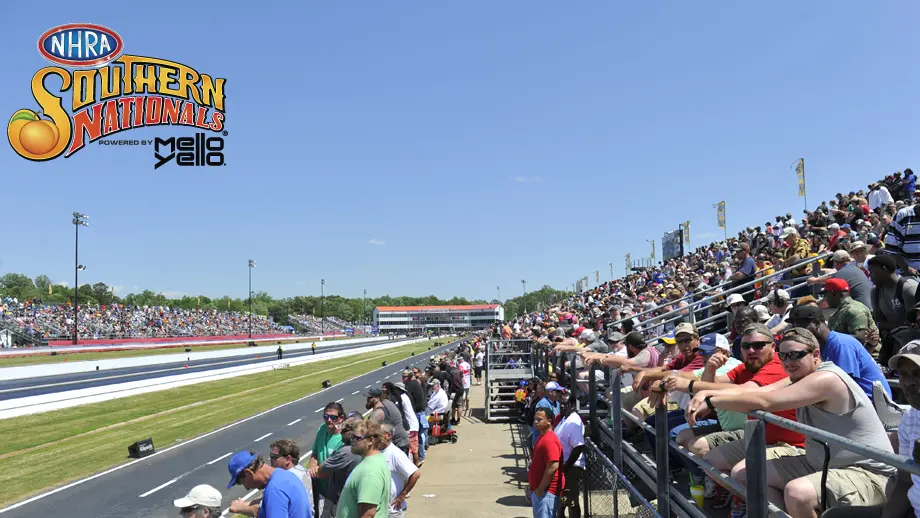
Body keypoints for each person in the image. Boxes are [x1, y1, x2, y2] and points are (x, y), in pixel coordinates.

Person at [687, 328, 896, 516]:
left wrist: (711, 401)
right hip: (821, 462)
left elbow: (765, 401)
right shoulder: (798, 378)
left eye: (796, 355)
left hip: (867, 473)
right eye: (783, 356)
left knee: (798, 492)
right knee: (746, 473)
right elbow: (758, 392)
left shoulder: (828, 378)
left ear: (815, 355)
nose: (788, 362)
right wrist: (705, 391)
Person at [788, 304, 891, 401]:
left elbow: (843, 386)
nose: (798, 332)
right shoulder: (822, 346)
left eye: (801, 326)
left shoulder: (840, 344)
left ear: (816, 324)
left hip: (874, 406)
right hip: (858, 401)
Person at [883, 340, 920, 518]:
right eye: (903, 374)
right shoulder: (911, 418)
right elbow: (905, 482)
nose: (909, 382)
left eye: (918, 373)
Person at [227, 450, 310, 518]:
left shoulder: (274, 490)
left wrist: (241, 508)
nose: (246, 488)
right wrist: (243, 506)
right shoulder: (285, 475)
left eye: (242, 482)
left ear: (248, 473)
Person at [335, 420, 390, 518]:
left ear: (370, 441)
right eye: (352, 437)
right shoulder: (370, 461)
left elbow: (368, 514)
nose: (352, 441)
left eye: (356, 438)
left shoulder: (370, 471)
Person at [310, 418, 363, 518]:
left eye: (343, 431)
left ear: (352, 432)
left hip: (340, 500)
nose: (340, 433)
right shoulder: (362, 448)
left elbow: (322, 471)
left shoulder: (346, 451)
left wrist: (315, 469)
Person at [823, 278, 879, 353]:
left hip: (868, 358)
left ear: (833, 293)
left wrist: (831, 338)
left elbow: (860, 338)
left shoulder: (855, 309)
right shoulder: (839, 312)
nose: (825, 298)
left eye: (826, 295)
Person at [310, 403, 346, 517]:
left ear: (341, 418)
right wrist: (312, 466)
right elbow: (315, 453)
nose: (329, 420)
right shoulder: (322, 429)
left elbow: (335, 469)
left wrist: (317, 471)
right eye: (326, 417)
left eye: (333, 417)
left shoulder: (344, 439)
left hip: (336, 492)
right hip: (320, 488)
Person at [379, 423, 422, 518]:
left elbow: (415, 474)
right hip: (382, 509)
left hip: (393, 509)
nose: (374, 437)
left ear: (388, 435)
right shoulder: (377, 451)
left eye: (378, 434)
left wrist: (402, 495)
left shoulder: (395, 454)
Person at [528, 408, 564, 518]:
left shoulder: (549, 440)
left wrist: (540, 488)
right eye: (535, 419)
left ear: (549, 421)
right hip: (541, 492)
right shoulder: (542, 436)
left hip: (546, 493)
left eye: (539, 419)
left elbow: (553, 466)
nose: (535, 422)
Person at [554, 395, 585, 518]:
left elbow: (578, 446)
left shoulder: (573, 422)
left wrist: (566, 467)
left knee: (571, 501)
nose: (562, 406)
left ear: (572, 405)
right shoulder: (565, 418)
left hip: (571, 467)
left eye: (565, 403)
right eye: (560, 403)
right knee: (562, 503)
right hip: (563, 465)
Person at [271, 439, 314, 512]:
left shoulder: (287, 479)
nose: (270, 459)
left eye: (274, 456)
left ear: (288, 459)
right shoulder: (301, 470)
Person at [366, 388, 410, 454]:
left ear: (377, 398)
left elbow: (368, 431)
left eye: (370, 398)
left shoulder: (378, 412)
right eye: (367, 398)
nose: (368, 400)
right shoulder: (387, 403)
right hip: (400, 439)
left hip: (398, 442)